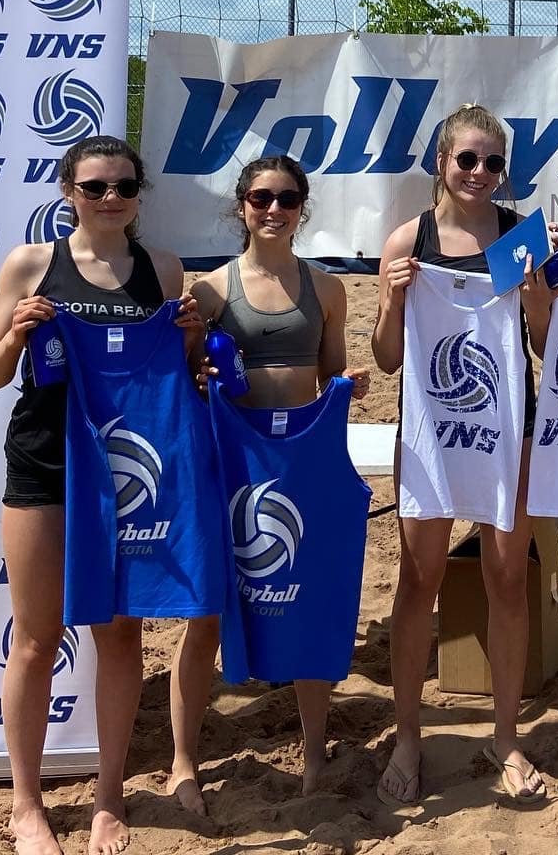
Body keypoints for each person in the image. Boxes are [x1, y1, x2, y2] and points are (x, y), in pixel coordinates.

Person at [0, 136, 201, 855]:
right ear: (68, 190)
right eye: (96, 186)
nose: (111, 199)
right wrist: (14, 337)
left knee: (121, 634)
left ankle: (109, 797)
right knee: (38, 641)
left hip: (132, 476)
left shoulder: (163, 269)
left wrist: (193, 339)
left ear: (140, 194)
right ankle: (25, 805)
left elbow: (180, 377)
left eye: (125, 187)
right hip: (44, 467)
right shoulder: (32, 265)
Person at [168, 156, 370, 807]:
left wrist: (349, 388)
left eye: (287, 198)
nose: (274, 209)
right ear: (243, 205)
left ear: (302, 207)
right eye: (262, 198)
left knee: (306, 604)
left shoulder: (329, 290)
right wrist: (198, 368)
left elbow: (332, 380)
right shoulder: (209, 292)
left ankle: (314, 753)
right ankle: (181, 761)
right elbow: (189, 383)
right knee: (207, 615)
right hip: (232, 462)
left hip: (301, 464)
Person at [372, 103, 557, 807]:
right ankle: (409, 736)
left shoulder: (520, 237)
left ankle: (506, 737)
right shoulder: (409, 239)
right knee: (419, 581)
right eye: (467, 160)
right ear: (441, 163)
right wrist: (391, 303)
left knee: (509, 580)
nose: (480, 173)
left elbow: (541, 346)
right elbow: (387, 361)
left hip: (509, 428)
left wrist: (538, 299)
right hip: (429, 430)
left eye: (493, 163)